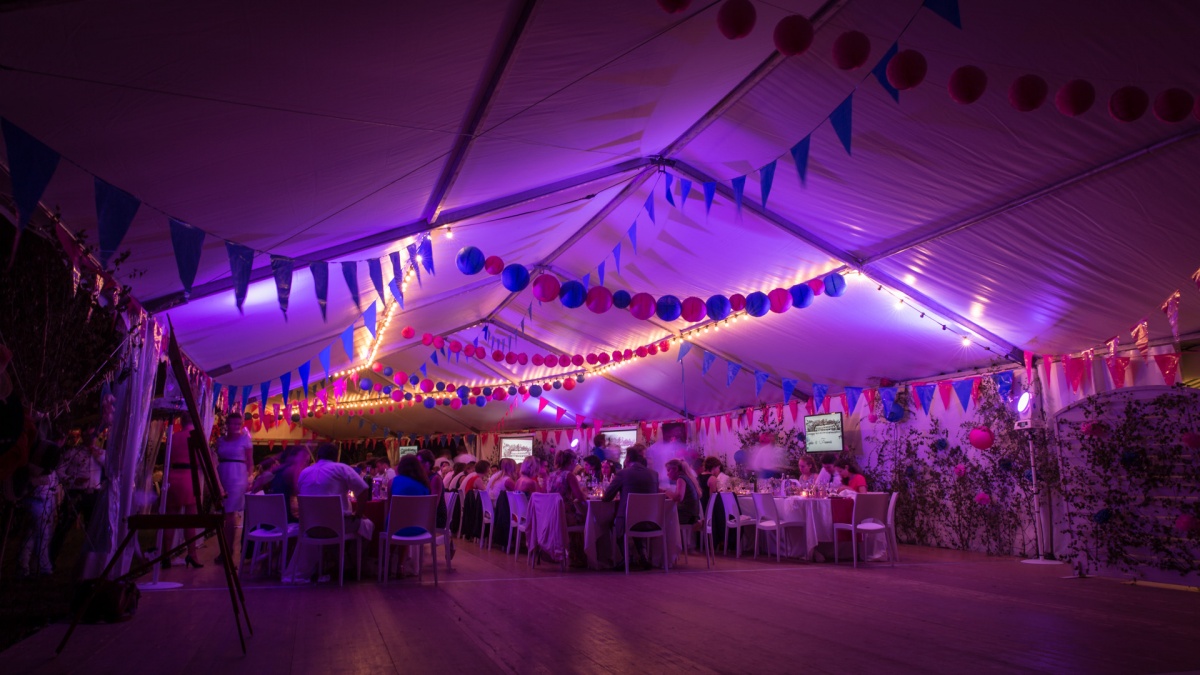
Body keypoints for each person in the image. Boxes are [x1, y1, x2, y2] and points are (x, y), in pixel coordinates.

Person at [51, 428, 105, 566]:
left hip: (93, 495)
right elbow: (59, 470)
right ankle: (50, 559)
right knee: (63, 526)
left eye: (94, 435)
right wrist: (73, 480)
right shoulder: (73, 453)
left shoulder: (100, 453)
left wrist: (96, 454)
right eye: (88, 435)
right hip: (76, 493)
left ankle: (91, 562)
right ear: (83, 436)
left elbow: (110, 467)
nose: (91, 438)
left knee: (92, 529)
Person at [601, 445, 660, 566]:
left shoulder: (623, 474)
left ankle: (628, 557)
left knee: (612, 522)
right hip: (652, 521)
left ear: (627, 459)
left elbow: (607, 498)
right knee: (638, 517)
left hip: (629, 521)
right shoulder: (654, 474)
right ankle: (643, 555)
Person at [161, 419, 203, 569]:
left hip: (173, 476)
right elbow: (200, 459)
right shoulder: (196, 436)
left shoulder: (173, 436)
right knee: (190, 519)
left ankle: (165, 554)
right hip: (189, 477)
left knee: (170, 519)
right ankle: (192, 554)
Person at [214, 412, 253, 565]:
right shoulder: (220, 441)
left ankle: (228, 550)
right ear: (227, 425)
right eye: (233, 423)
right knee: (223, 513)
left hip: (238, 476)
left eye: (238, 424)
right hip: (222, 473)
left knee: (230, 513)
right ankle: (225, 548)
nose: (235, 427)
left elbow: (250, 462)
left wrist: (249, 478)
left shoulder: (245, 440)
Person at [546, 449, 588, 567]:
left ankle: (573, 554)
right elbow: (580, 497)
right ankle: (579, 556)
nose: (576, 464)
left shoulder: (551, 475)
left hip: (552, 514)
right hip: (564, 516)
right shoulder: (569, 475)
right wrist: (584, 493)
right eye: (575, 461)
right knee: (588, 519)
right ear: (571, 461)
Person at [269, 445, 311, 521]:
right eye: (305, 461)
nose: (306, 464)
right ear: (296, 457)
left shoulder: (279, 470)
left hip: (272, 517)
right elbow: (299, 493)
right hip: (285, 519)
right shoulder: (292, 471)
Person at [664, 459, 701, 527]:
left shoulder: (681, 478)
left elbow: (679, 497)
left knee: (662, 517)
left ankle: (670, 537)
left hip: (686, 517)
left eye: (669, 470)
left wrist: (665, 492)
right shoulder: (687, 477)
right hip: (692, 516)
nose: (667, 474)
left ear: (676, 469)